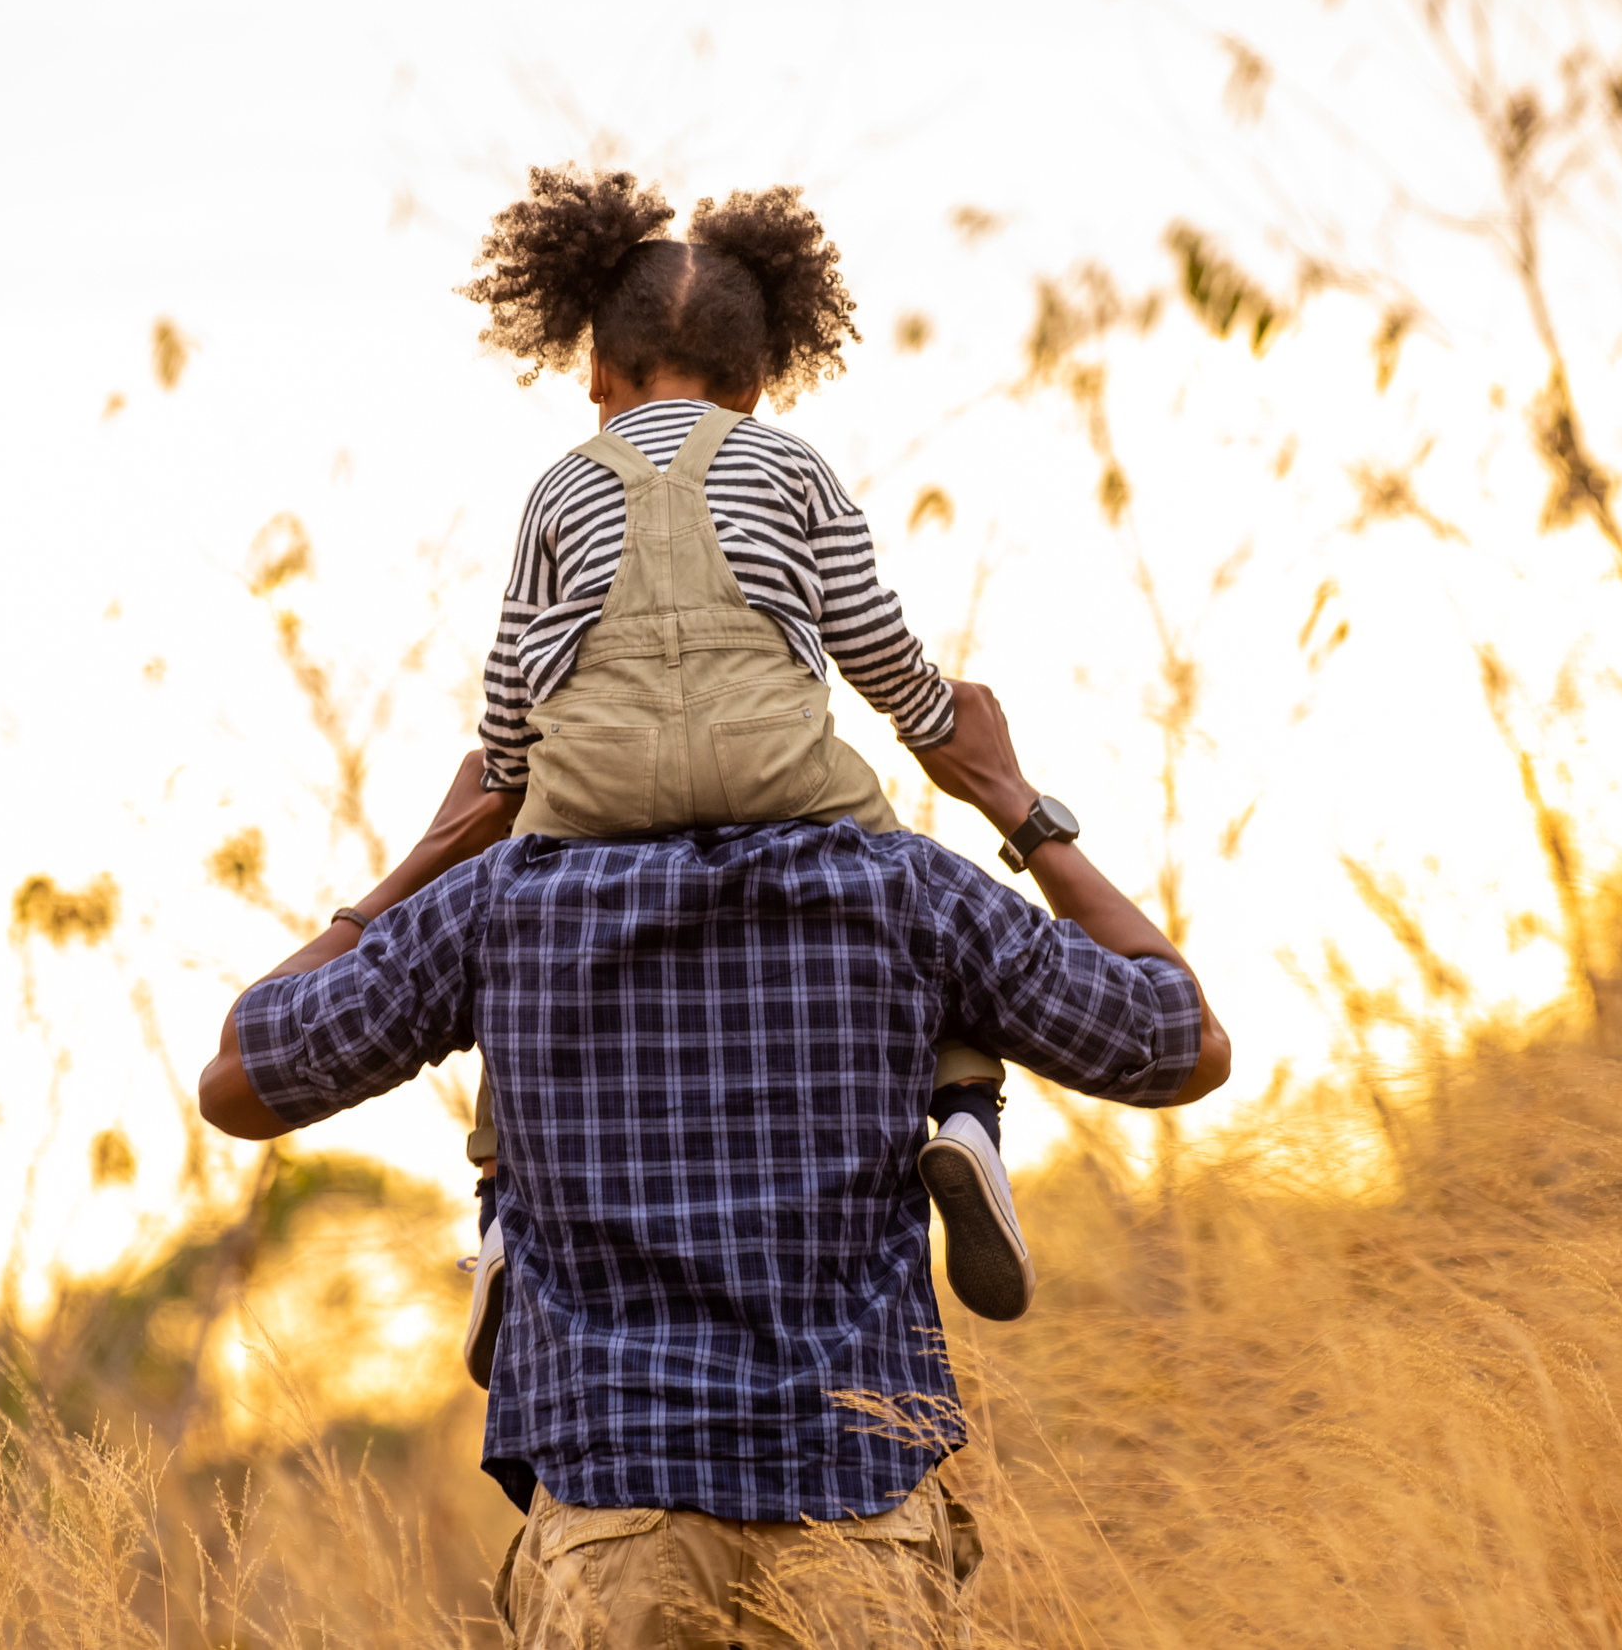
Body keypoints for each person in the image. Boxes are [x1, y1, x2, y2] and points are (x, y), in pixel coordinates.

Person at [201, 680, 1227, 1648]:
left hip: (615, 1509)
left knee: (518, 1079)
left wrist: (432, 853)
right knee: (950, 1033)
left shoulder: (501, 901)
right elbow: (1182, 1040)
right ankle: (967, 1109)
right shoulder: (902, 884)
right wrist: (1008, 795)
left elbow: (242, 1075)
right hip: (854, 1506)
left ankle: (500, 1201)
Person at [299, 166, 1047, 1374]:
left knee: (520, 926)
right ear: (759, 381)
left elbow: (511, 697)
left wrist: (513, 780)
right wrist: (933, 721)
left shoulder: (559, 486)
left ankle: (500, 1214)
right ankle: (965, 1116)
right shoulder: (794, 469)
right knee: (915, 882)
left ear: (595, 372)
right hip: (785, 777)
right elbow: (874, 648)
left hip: (591, 799)